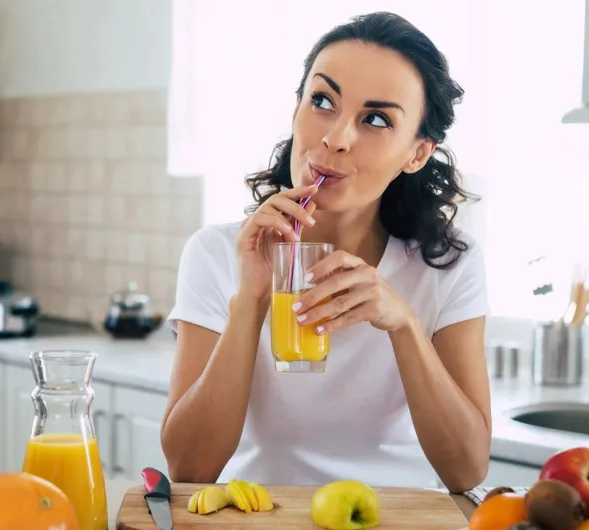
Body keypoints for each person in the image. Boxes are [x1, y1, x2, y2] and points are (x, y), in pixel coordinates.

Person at [161, 11, 491, 493]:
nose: (335, 138)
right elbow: (189, 470)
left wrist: (402, 323)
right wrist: (251, 300)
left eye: (376, 119)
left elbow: (466, 470)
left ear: (417, 153)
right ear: (296, 108)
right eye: (322, 101)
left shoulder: (448, 265)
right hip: (259, 521)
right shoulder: (216, 255)